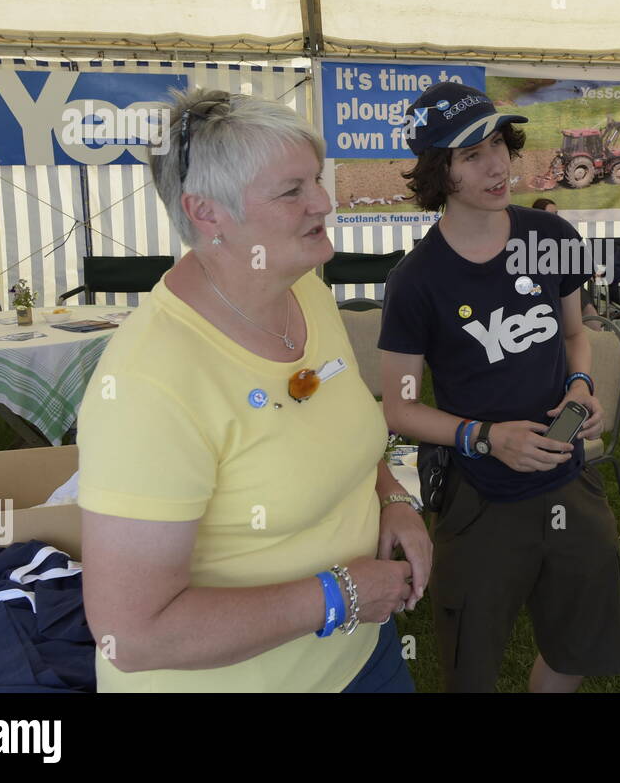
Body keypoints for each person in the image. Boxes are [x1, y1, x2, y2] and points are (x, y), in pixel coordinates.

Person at [78, 89, 431, 692]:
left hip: (360, 655)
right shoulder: (148, 383)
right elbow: (132, 634)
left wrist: (394, 498)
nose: (323, 202)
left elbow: (340, 431)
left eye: (317, 180)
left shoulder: (302, 290)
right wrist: (338, 594)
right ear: (207, 212)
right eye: (292, 190)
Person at [379, 82, 620, 693]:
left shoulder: (549, 239)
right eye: (471, 155)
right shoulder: (417, 281)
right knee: (471, 664)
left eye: (498, 144)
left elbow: (576, 335)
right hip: (479, 498)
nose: (497, 165)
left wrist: (580, 385)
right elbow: (401, 408)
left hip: (568, 478)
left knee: (580, 642)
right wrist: (486, 437)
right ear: (441, 172)